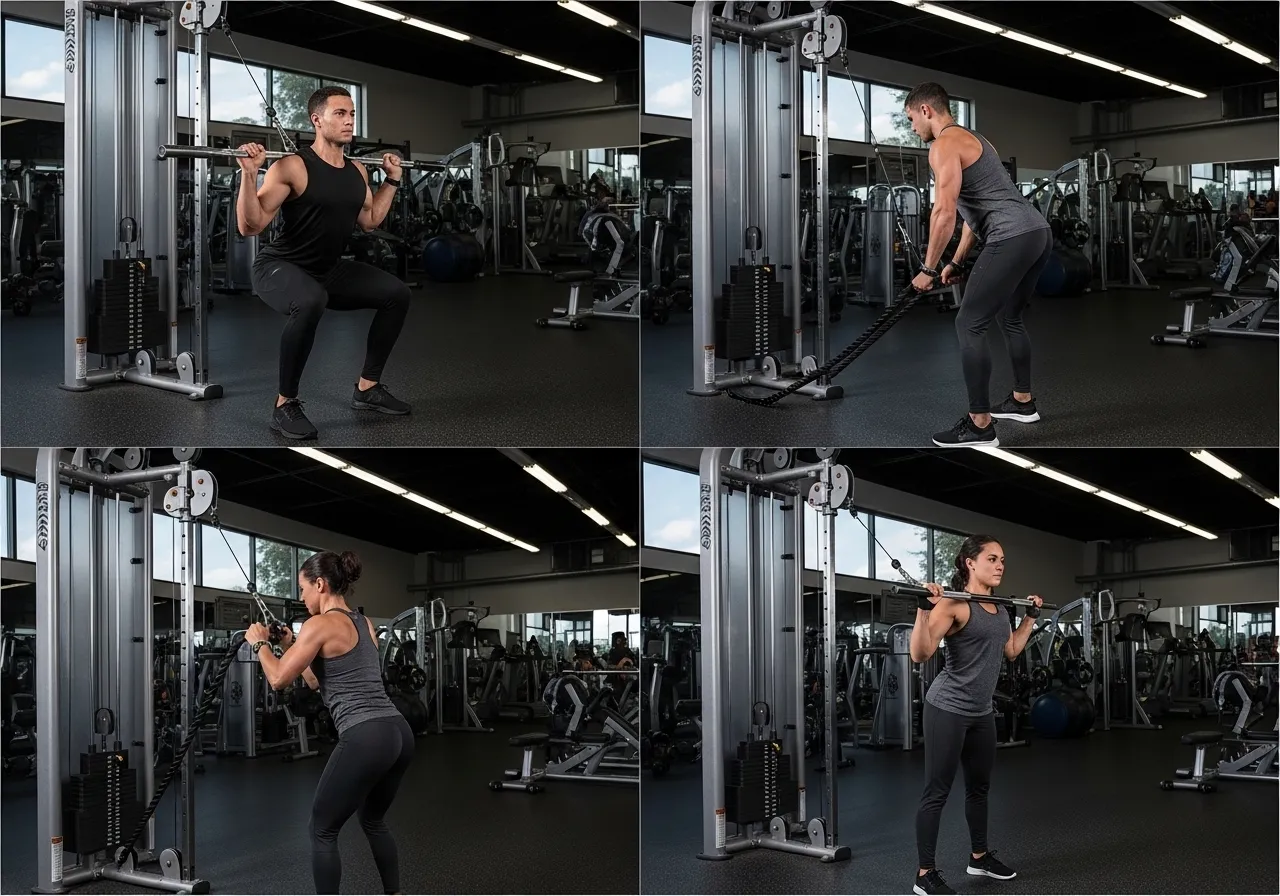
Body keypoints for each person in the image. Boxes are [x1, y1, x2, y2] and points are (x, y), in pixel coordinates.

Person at [237, 86, 413, 441]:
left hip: (327, 269)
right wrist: (248, 174)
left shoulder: (357, 171)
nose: (349, 121)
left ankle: (367, 388)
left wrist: (392, 180)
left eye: (351, 114)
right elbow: (250, 226)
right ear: (317, 120)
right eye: (340, 114)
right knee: (310, 300)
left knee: (397, 293)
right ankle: (284, 403)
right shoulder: (292, 166)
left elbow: (370, 220)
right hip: (280, 267)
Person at [247, 550, 413, 895]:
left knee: (322, 830)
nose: (301, 597)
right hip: (398, 730)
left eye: (303, 589)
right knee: (373, 820)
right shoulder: (362, 622)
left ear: (320, 584)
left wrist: (260, 644)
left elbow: (278, 679)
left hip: (367, 734)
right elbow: (313, 680)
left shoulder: (319, 624)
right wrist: (290, 643)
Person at [901, 83, 1053, 448]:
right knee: (1010, 317)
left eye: (910, 120)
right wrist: (956, 260)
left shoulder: (942, 146)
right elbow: (975, 214)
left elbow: (944, 212)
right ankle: (1022, 402)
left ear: (926, 111)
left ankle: (979, 424)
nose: (912, 129)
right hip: (1038, 233)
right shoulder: (977, 139)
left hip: (1012, 237)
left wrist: (928, 267)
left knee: (969, 322)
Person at [907, 535, 1044, 896]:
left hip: (982, 712)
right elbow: (920, 654)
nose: (1000, 565)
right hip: (947, 708)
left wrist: (1029, 618)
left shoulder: (1000, 607)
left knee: (979, 789)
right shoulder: (953, 604)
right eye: (992, 558)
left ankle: (979, 857)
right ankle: (924, 874)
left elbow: (1012, 650)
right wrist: (924, 608)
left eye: (1002, 560)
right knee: (936, 792)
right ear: (970, 562)